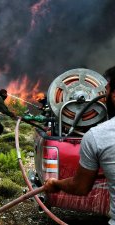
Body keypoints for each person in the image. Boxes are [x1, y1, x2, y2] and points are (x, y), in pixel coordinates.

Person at [44, 66, 115, 225]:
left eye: (107, 90)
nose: (102, 95)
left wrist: (56, 183)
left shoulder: (98, 136)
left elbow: (80, 187)